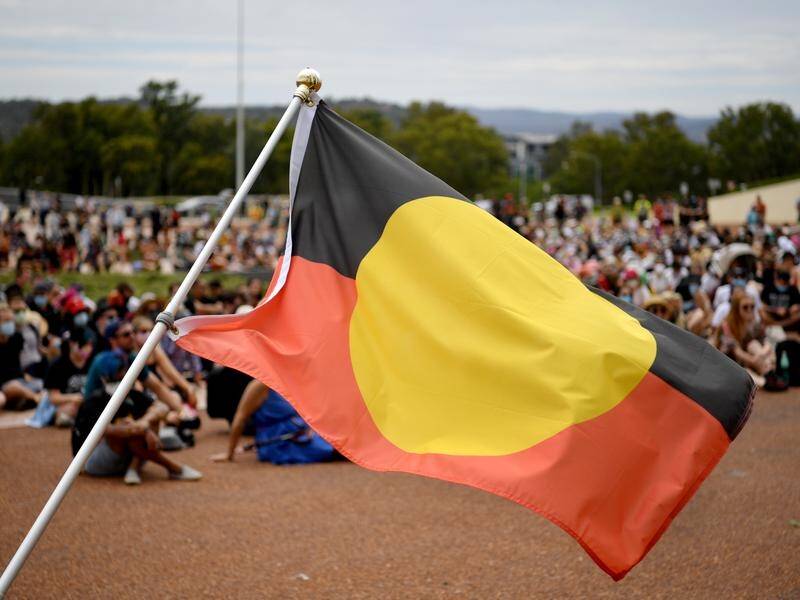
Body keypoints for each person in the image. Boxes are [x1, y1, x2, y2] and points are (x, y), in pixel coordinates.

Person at [74, 320, 202, 484]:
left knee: (149, 418)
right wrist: (143, 429)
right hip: (93, 451)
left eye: (133, 332)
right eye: (126, 334)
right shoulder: (103, 365)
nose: (133, 337)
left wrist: (180, 415)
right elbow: (106, 429)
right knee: (134, 431)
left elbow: (158, 390)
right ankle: (173, 468)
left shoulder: (132, 360)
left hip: (121, 428)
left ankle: (134, 469)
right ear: (113, 340)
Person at [210, 379, 338, 465]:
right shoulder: (259, 385)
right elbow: (240, 418)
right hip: (281, 440)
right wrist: (229, 454)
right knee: (333, 448)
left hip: (298, 431)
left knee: (339, 439)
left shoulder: (280, 377)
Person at [717, 289, 786, 391]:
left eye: (752, 306)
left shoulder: (754, 323)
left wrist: (761, 354)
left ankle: (768, 373)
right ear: (736, 309)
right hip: (731, 364)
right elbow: (737, 353)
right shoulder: (727, 326)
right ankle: (766, 380)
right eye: (745, 307)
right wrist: (756, 359)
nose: (749, 310)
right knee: (745, 372)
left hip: (750, 360)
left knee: (754, 344)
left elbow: (766, 342)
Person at [43, 327, 95, 427]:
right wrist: (74, 398)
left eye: (90, 345)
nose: (88, 349)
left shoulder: (93, 362)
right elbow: (53, 397)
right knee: (68, 411)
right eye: (84, 345)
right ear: (72, 343)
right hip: (67, 404)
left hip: (89, 403)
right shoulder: (57, 365)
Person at [0, 303, 43, 410]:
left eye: (11, 321)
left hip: (20, 380)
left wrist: (24, 375)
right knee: (13, 388)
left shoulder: (17, 337)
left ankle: (23, 400)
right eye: (6, 321)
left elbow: (17, 362)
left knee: (40, 383)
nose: (10, 324)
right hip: (5, 386)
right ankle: (36, 399)